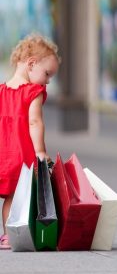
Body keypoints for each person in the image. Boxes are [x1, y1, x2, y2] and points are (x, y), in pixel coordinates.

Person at [0, 33, 60, 249]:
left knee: (8, 197)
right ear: (31, 64)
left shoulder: (1, 91)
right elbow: (34, 122)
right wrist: (41, 151)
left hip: (3, 155)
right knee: (19, 196)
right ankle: (14, 235)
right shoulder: (33, 91)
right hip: (20, 155)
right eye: (47, 73)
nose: (48, 80)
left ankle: (7, 235)